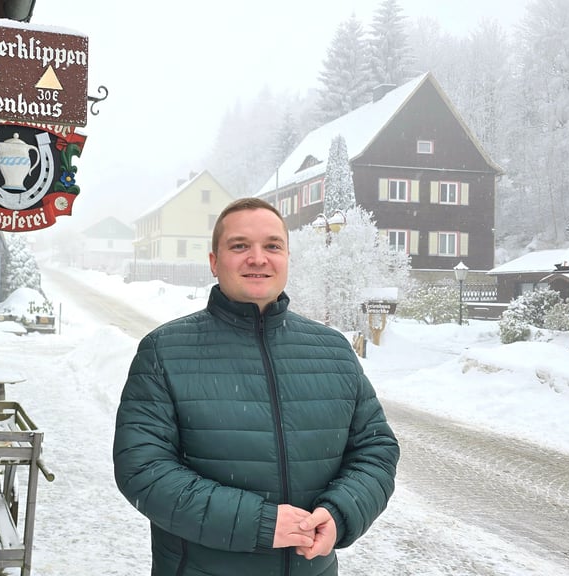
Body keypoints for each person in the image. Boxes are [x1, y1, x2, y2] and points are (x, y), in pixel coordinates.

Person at [113, 197, 400, 576]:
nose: (258, 258)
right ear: (214, 261)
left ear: (286, 258)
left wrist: (340, 513)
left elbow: (376, 449)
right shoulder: (164, 352)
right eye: (239, 246)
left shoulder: (332, 350)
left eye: (272, 246)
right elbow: (143, 469)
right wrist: (262, 524)